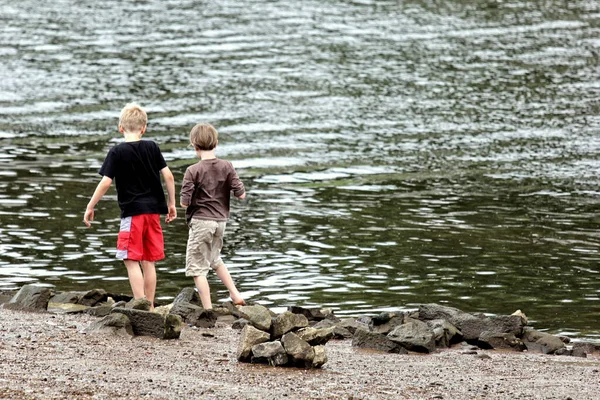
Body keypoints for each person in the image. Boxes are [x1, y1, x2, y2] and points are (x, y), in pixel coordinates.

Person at [83, 103, 176, 311]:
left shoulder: (117, 152)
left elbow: (106, 182)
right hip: (153, 212)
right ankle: (150, 306)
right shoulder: (152, 147)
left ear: (120, 127)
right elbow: (169, 176)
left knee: (131, 258)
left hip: (132, 214)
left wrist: (90, 205)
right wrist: (171, 203)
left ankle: (140, 305)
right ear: (144, 128)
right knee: (149, 260)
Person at [180, 123, 246, 309]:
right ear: (216, 143)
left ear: (195, 146)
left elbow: (184, 202)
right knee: (215, 259)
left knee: (197, 268)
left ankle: (207, 309)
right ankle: (235, 294)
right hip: (221, 222)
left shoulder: (192, 171)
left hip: (201, 222)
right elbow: (241, 194)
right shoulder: (227, 166)